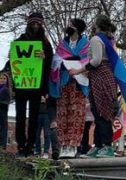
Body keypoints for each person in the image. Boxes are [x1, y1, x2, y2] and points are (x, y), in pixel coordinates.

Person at [69, 15, 118, 158]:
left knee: (102, 113)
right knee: (98, 112)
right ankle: (98, 146)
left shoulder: (96, 40)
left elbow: (96, 61)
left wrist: (78, 70)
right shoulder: (108, 40)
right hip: (104, 77)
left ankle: (107, 146)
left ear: (96, 25)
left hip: (100, 77)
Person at [13, 12, 53, 157]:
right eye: (33, 23)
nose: (35, 26)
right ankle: (21, 145)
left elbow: (50, 66)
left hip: (37, 86)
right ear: (29, 24)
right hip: (22, 85)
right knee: (20, 117)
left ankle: (30, 145)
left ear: (41, 25)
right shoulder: (20, 40)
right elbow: (14, 60)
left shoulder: (46, 44)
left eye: (38, 24)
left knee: (34, 117)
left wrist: (45, 57)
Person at [51, 18, 89, 159]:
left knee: (76, 114)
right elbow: (55, 60)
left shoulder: (86, 44)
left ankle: (73, 145)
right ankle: (63, 145)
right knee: (63, 114)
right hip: (64, 82)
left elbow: (88, 60)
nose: (69, 27)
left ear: (78, 28)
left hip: (78, 84)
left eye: (71, 25)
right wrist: (64, 61)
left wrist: (76, 60)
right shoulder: (62, 44)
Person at [0, 72, 11, 150]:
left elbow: (7, 101)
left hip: (2, 112)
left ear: (7, 80)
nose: (2, 80)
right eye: (1, 78)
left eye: (4, 78)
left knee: (3, 129)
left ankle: (2, 147)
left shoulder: (6, 90)